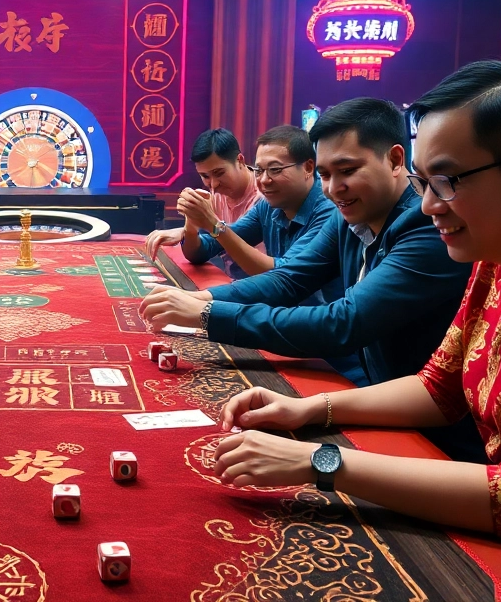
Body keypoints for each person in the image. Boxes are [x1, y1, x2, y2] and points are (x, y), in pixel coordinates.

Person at [207, 61, 501, 602]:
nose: (429, 204)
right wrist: (308, 411)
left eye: (448, 181)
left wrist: (318, 461)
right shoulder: (496, 254)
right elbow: (440, 385)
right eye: (422, 181)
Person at [140, 100, 473, 392]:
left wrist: (208, 313)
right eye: (326, 175)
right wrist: (202, 298)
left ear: (397, 160)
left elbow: (343, 324)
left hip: (404, 401)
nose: (333, 188)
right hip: (363, 378)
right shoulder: (345, 216)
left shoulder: (425, 227)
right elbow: (289, 279)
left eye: (347, 170)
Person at [147, 125, 341, 304]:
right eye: (260, 170)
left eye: (275, 170)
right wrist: (191, 222)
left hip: (315, 324)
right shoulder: (268, 206)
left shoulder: (329, 211)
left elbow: (284, 276)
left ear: (308, 168)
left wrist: (214, 225)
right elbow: (205, 249)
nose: (264, 180)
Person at [156, 129, 261, 279]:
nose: (213, 184)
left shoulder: (266, 196)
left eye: (219, 173)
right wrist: (189, 226)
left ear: (240, 161)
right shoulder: (217, 193)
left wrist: (188, 230)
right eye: (205, 176)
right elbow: (198, 253)